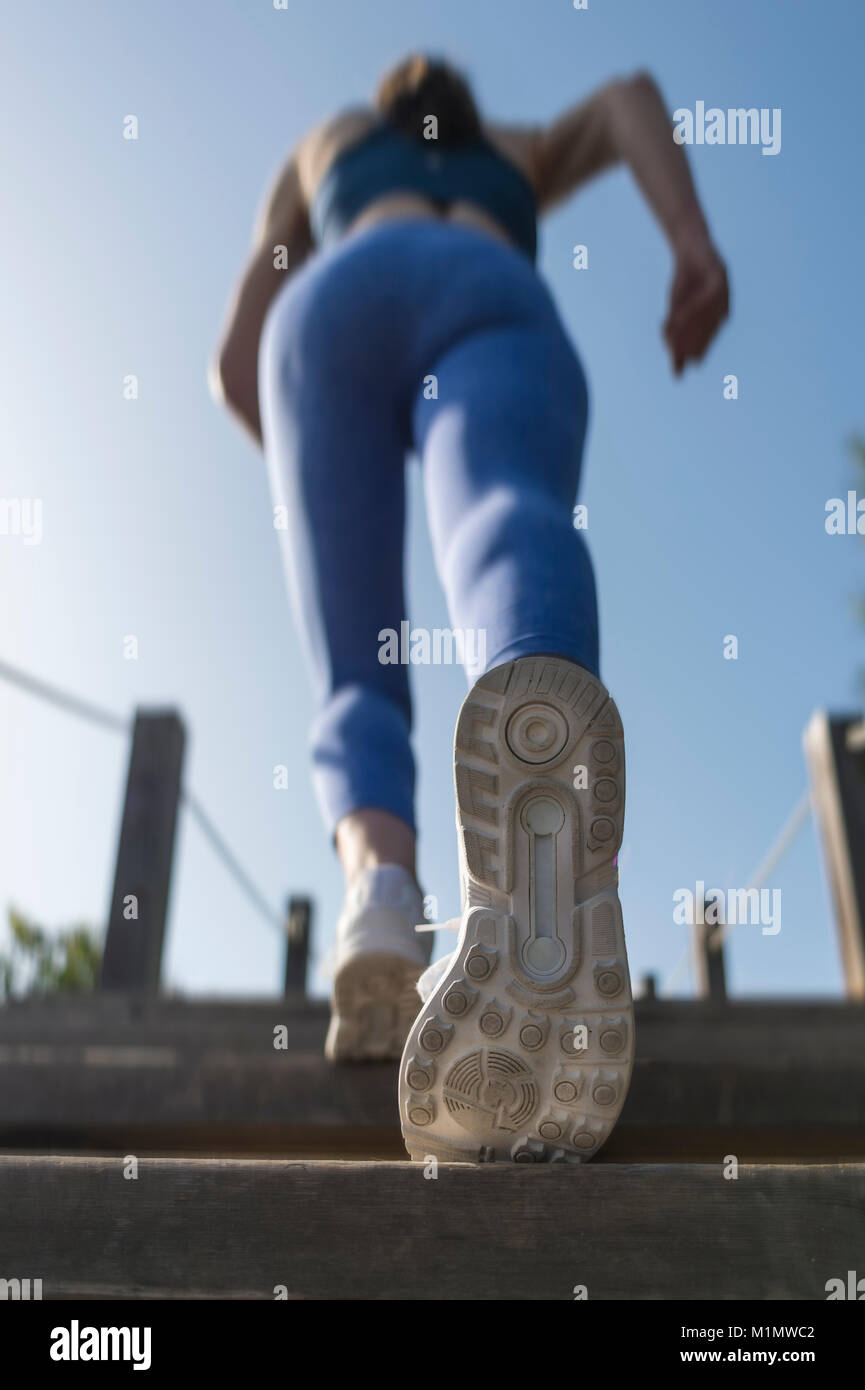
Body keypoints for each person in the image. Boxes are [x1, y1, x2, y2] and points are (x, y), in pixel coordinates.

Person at [212, 53, 728, 1162]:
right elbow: (635, 93)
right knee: (504, 508)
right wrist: (689, 241)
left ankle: (379, 898)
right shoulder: (517, 153)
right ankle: (540, 804)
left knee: (356, 664)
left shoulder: (333, 143)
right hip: (492, 293)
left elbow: (230, 358)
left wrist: (319, 479)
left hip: (330, 310)